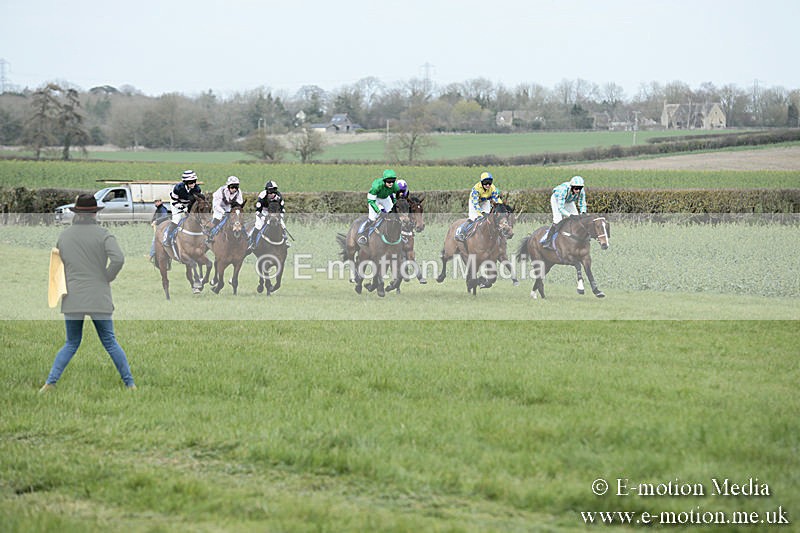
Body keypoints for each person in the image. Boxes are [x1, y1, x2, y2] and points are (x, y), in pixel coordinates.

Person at [39, 194, 135, 393]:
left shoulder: (64, 236)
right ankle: (130, 384)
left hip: (72, 295)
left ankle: (50, 382)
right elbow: (118, 259)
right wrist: (107, 276)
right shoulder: (104, 234)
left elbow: (59, 265)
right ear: (94, 214)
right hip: (98, 295)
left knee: (71, 343)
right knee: (110, 341)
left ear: (76, 213)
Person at [541, 175, 587, 250]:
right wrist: (570, 215)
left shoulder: (581, 191)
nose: (578, 190)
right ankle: (547, 240)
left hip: (569, 201)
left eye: (580, 188)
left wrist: (583, 212)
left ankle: (576, 238)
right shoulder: (563, 190)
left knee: (577, 218)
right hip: (557, 200)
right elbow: (561, 208)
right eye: (576, 188)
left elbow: (582, 203)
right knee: (558, 220)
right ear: (572, 187)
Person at [455, 171, 503, 241]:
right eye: (485, 182)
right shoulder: (476, 189)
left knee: (488, 217)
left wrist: (502, 207)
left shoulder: (493, 187)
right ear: (481, 182)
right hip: (474, 202)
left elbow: (496, 198)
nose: (488, 185)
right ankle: (460, 232)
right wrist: (480, 212)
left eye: (490, 182)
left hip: (485, 201)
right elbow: (475, 204)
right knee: (473, 218)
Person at [357, 169, 400, 246]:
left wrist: (393, 208)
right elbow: (371, 201)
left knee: (393, 215)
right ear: (384, 180)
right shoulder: (376, 186)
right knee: (372, 218)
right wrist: (378, 211)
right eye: (388, 181)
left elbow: (395, 199)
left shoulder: (395, 186)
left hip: (385, 198)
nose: (391, 183)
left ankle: (398, 234)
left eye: (393, 181)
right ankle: (364, 235)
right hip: (375, 199)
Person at [163, 170, 203, 249]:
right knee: (177, 220)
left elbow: (198, 201)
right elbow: (174, 201)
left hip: (189, 204)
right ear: (185, 183)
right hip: (176, 204)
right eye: (190, 182)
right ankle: (167, 238)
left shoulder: (197, 189)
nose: (193, 184)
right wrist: (182, 207)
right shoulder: (178, 188)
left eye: (194, 182)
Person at [249, 180, 288, 248]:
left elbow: (282, 209)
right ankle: (252, 242)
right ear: (267, 191)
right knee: (258, 226)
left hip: (274, 212)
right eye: (270, 191)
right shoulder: (262, 196)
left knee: (283, 225)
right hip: (263, 212)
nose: (272, 194)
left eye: (274, 191)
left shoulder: (279, 196)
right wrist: (263, 217)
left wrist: (280, 216)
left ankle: (285, 240)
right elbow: (258, 211)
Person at [207, 176, 244, 244]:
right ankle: (210, 235)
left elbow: (240, 202)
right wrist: (223, 212)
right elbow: (216, 205)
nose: (234, 189)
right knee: (217, 219)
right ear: (228, 186)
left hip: (229, 208)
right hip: (219, 208)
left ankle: (245, 236)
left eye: (236, 187)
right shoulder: (220, 191)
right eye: (232, 187)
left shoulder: (238, 192)